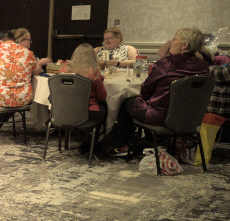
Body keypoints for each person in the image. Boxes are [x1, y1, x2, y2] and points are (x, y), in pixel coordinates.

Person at [109, 27, 209, 157]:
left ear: (184, 45)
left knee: (127, 102)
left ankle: (124, 146)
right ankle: (152, 141)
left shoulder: (166, 64)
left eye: (175, 39)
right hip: (191, 118)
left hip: (163, 117)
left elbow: (145, 91)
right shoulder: (203, 66)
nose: (171, 42)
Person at [61, 43, 108, 123]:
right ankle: (98, 134)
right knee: (105, 107)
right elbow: (102, 97)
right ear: (93, 57)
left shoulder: (64, 69)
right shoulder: (94, 72)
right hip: (87, 112)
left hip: (64, 110)